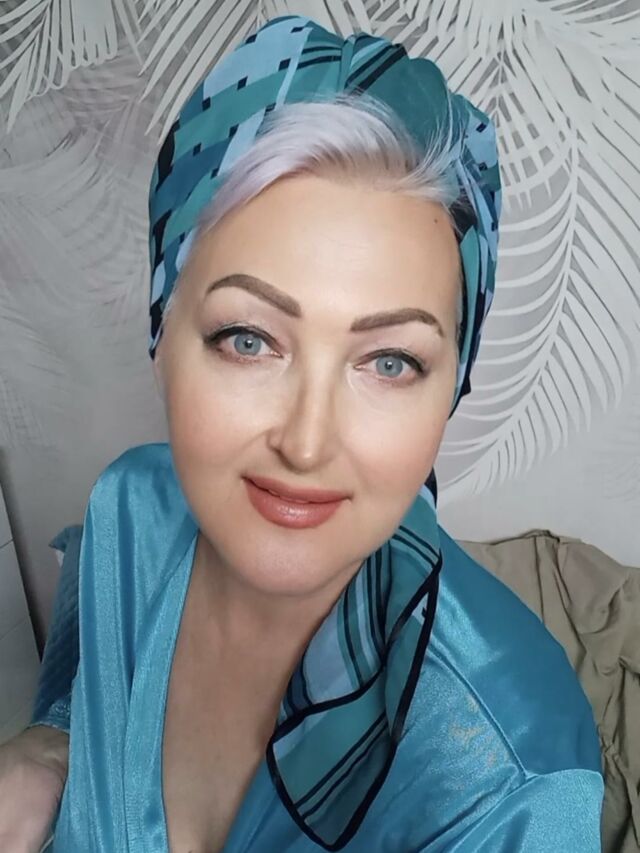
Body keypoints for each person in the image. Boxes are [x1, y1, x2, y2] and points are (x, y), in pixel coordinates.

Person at [0, 14, 603, 853]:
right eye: (249, 340)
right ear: (162, 338)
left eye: (389, 361)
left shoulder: (507, 785)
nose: (308, 442)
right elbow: (90, 700)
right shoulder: (130, 512)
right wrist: (50, 747)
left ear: (451, 387)